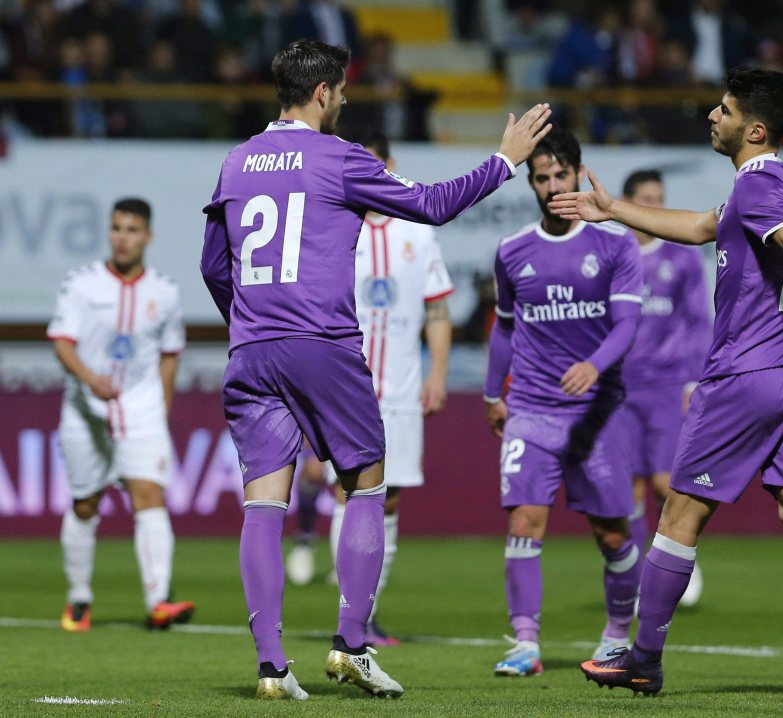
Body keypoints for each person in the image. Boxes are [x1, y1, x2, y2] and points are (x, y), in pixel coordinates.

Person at [199, 39, 551, 701]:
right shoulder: (339, 158)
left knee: (263, 504)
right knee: (366, 483)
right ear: (326, 92)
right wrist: (505, 160)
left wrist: (251, 320)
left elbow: (215, 269)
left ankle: (272, 668)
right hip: (322, 342)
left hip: (251, 349)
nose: (345, 101)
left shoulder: (237, 161)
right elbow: (434, 204)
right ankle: (351, 646)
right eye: (343, 91)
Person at [550, 66, 783, 701]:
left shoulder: (759, 186)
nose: (711, 118)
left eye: (721, 110)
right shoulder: (779, 183)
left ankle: (643, 657)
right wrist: (612, 210)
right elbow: (699, 227)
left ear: (753, 128)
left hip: (746, 372)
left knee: (679, 511)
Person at [483, 127, 645, 676]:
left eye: (560, 175)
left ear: (579, 173)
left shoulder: (617, 243)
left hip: (596, 412)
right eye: (541, 177)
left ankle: (617, 635)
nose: (552, 186)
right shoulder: (512, 252)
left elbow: (627, 325)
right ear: (530, 183)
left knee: (612, 533)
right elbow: (504, 330)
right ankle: (526, 644)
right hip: (530, 408)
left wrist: (594, 366)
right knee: (524, 522)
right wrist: (492, 393)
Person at [285, 128, 455, 647]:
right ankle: (349, 612)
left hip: (402, 388)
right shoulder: (336, 226)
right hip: (347, 385)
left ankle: (367, 613)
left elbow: (438, 309)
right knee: (349, 493)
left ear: (391, 165)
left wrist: (438, 374)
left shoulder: (417, 233)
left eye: (379, 164)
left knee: (391, 499)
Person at [48, 197, 195, 634]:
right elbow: (61, 341)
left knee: (149, 495)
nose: (122, 238)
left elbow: (170, 354)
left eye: (131, 230)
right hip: (85, 409)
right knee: (85, 503)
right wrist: (89, 379)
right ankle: (79, 598)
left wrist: (163, 405)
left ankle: (158, 601)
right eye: (116, 228)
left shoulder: (165, 292)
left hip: (142, 408)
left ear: (147, 236)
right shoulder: (82, 284)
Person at [618, 169, 712, 608]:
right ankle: (641, 577)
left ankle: (680, 561)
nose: (654, 206)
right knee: (629, 488)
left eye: (660, 198)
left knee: (664, 481)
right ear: (628, 201)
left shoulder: (682, 257)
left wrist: (696, 378)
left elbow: (698, 323)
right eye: (646, 198)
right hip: (619, 386)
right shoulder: (612, 254)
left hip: (668, 383)